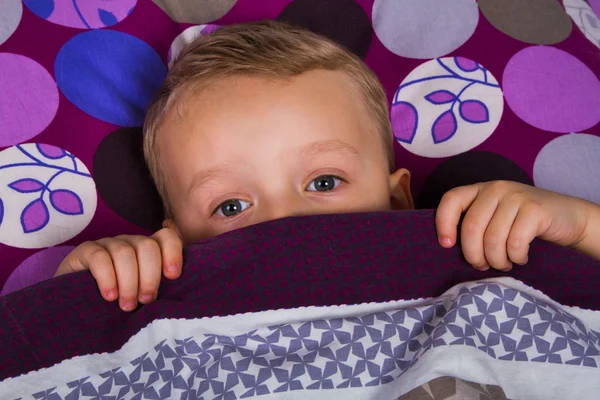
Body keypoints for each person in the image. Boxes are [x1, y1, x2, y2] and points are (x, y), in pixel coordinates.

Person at [55, 21, 600, 312]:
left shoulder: (466, 250)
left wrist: (578, 227)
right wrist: (88, 290)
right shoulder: (171, 297)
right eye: (231, 205)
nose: (285, 221)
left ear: (397, 201)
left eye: (323, 181)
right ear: (176, 243)